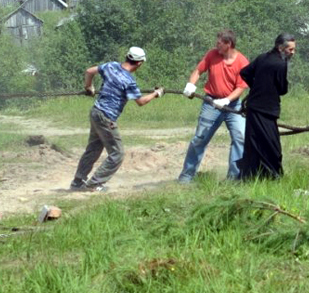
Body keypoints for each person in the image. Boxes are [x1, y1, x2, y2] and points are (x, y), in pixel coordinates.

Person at [69, 46, 163, 192]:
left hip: (95, 112)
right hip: (107, 118)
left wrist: (89, 87)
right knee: (117, 154)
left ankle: (78, 182)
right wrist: (156, 93)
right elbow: (141, 102)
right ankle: (94, 184)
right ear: (139, 63)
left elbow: (89, 71)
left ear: (127, 57)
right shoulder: (129, 81)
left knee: (93, 149)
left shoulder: (111, 66)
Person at [178, 30, 249, 183]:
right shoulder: (212, 55)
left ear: (228, 44)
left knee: (240, 138)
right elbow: (198, 70)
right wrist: (190, 85)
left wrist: (226, 100)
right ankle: (186, 177)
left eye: (219, 43)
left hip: (233, 107)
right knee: (199, 138)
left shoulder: (242, 62)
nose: (216, 46)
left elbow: (241, 87)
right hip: (211, 103)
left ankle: (234, 179)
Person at [236, 33, 295, 180]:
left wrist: (256, 87)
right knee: (271, 147)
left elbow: (245, 73)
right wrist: (262, 87)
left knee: (254, 144)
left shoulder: (262, 57)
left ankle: (250, 177)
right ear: (281, 48)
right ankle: (273, 177)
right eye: (291, 50)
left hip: (253, 108)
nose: (293, 53)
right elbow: (282, 89)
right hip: (266, 110)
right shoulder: (281, 64)